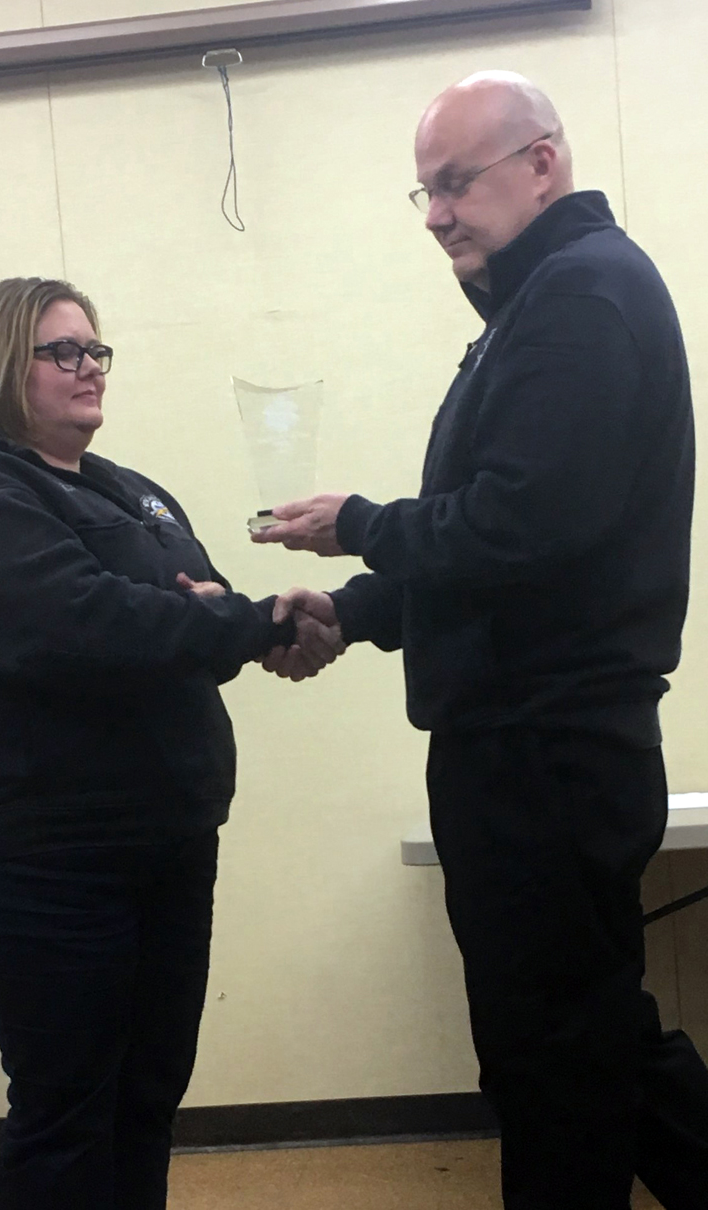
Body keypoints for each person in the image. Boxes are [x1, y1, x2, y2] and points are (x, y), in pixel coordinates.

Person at [253, 73, 708, 1209]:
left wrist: (358, 527)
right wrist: (353, 611)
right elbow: (494, 560)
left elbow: (523, 525)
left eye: (455, 182)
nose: (436, 214)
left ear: (541, 163)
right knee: (577, 1038)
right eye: (423, 192)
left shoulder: (579, 297)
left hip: (538, 751)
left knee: (554, 1058)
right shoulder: (548, 300)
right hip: (538, 745)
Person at [0, 276, 342, 1210]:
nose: (90, 368)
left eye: (97, 350)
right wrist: (211, 619)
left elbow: (202, 608)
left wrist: (218, 619)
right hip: (36, 865)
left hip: (162, 847)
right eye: (63, 351)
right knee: (69, 1109)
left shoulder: (132, 493)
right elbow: (101, 628)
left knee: (145, 1098)